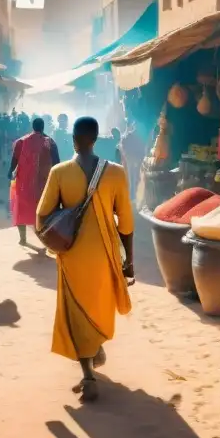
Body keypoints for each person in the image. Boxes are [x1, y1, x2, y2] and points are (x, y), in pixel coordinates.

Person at [37, 116, 134, 403]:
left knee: (77, 311)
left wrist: (55, 239)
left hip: (72, 255)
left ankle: (89, 375)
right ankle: (95, 349)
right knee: (100, 305)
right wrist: (129, 261)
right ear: (96, 138)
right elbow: (126, 223)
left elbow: (42, 216)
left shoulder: (59, 172)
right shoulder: (116, 173)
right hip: (106, 254)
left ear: (74, 139)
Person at [9, 117, 60, 246]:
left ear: (33, 127)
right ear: (43, 127)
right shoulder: (50, 142)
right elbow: (57, 163)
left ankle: (23, 238)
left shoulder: (22, 141)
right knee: (43, 208)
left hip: (23, 183)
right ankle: (44, 237)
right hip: (43, 183)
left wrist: (10, 172)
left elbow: (15, 159)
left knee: (21, 207)